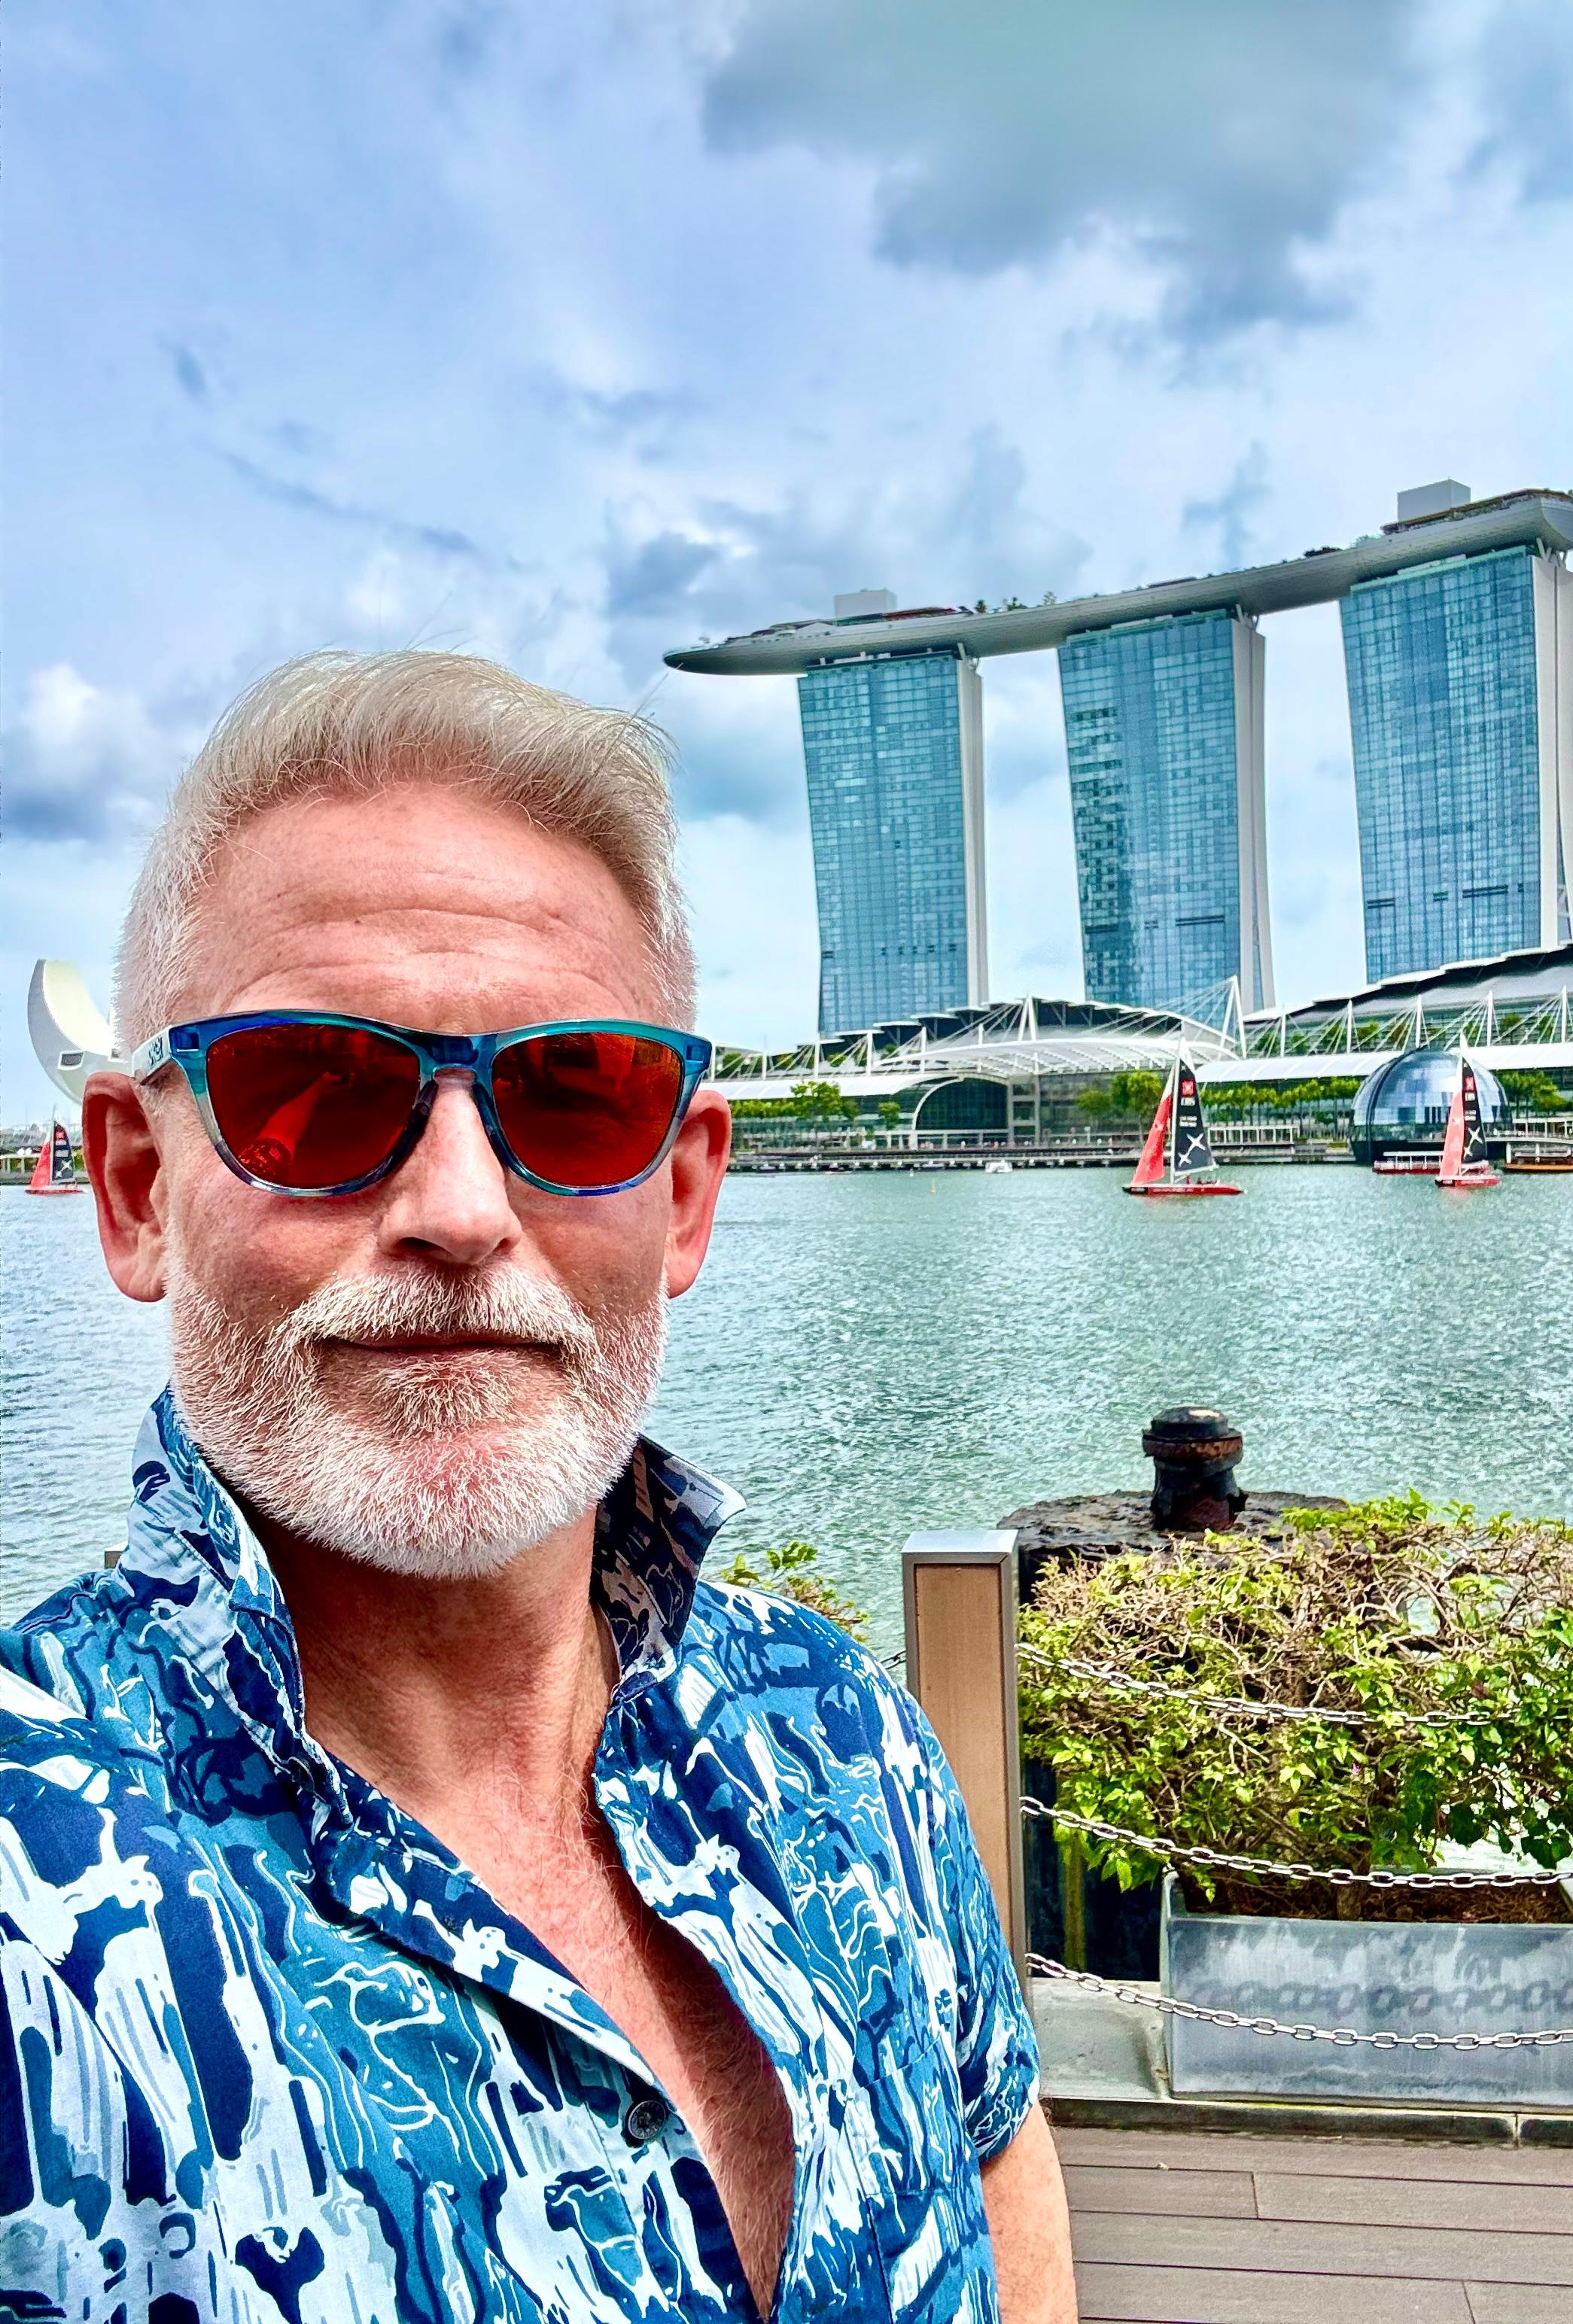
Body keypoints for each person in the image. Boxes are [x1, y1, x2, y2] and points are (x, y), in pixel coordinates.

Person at [0, 653, 1077, 2322]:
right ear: (138, 1188)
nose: (459, 1209)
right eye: (312, 1092)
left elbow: (1002, 2181)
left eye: (576, 1099)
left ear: (685, 1197)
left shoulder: (845, 1730)